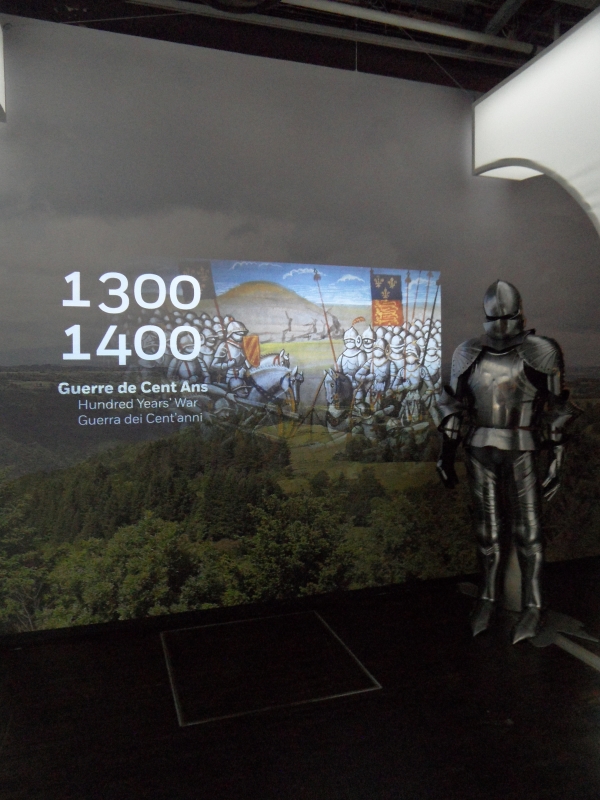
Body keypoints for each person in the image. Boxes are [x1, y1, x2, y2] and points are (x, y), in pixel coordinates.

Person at [436, 280, 578, 643]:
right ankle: (487, 597)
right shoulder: (467, 351)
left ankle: (534, 605)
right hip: (480, 446)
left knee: (528, 532)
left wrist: (557, 459)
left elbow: (558, 408)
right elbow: (452, 403)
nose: (500, 323)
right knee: (487, 531)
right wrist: (446, 452)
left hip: (521, 446)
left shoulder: (540, 350)